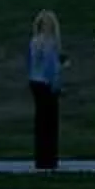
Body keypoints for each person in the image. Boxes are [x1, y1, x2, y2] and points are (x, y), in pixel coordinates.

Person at [28, 10, 67, 170]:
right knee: (51, 123)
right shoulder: (51, 43)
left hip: (35, 82)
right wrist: (58, 85)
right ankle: (50, 160)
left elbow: (32, 63)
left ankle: (40, 159)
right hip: (47, 85)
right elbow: (51, 69)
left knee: (40, 122)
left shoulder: (34, 41)